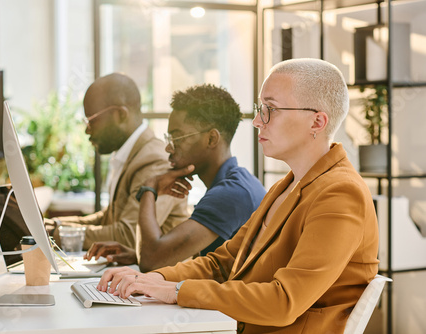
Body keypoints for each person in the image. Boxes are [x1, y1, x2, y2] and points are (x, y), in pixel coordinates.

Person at [96, 59, 380, 334]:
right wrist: (153, 278)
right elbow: (223, 262)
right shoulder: (286, 186)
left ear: (317, 122)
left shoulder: (340, 194)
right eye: (259, 108)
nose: (257, 121)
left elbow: (283, 302)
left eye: (270, 109)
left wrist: (175, 290)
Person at [85, 84, 266, 272]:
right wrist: (135, 255)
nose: (168, 148)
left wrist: (149, 188)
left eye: (177, 138)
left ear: (212, 139)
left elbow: (151, 259)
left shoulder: (231, 193)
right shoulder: (234, 183)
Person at [48, 73, 188, 262]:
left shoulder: (154, 160)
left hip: (157, 278)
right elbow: (109, 218)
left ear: (121, 115)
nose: (87, 130)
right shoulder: (129, 154)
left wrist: (55, 233)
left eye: (91, 120)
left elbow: (129, 235)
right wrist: (55, 224)